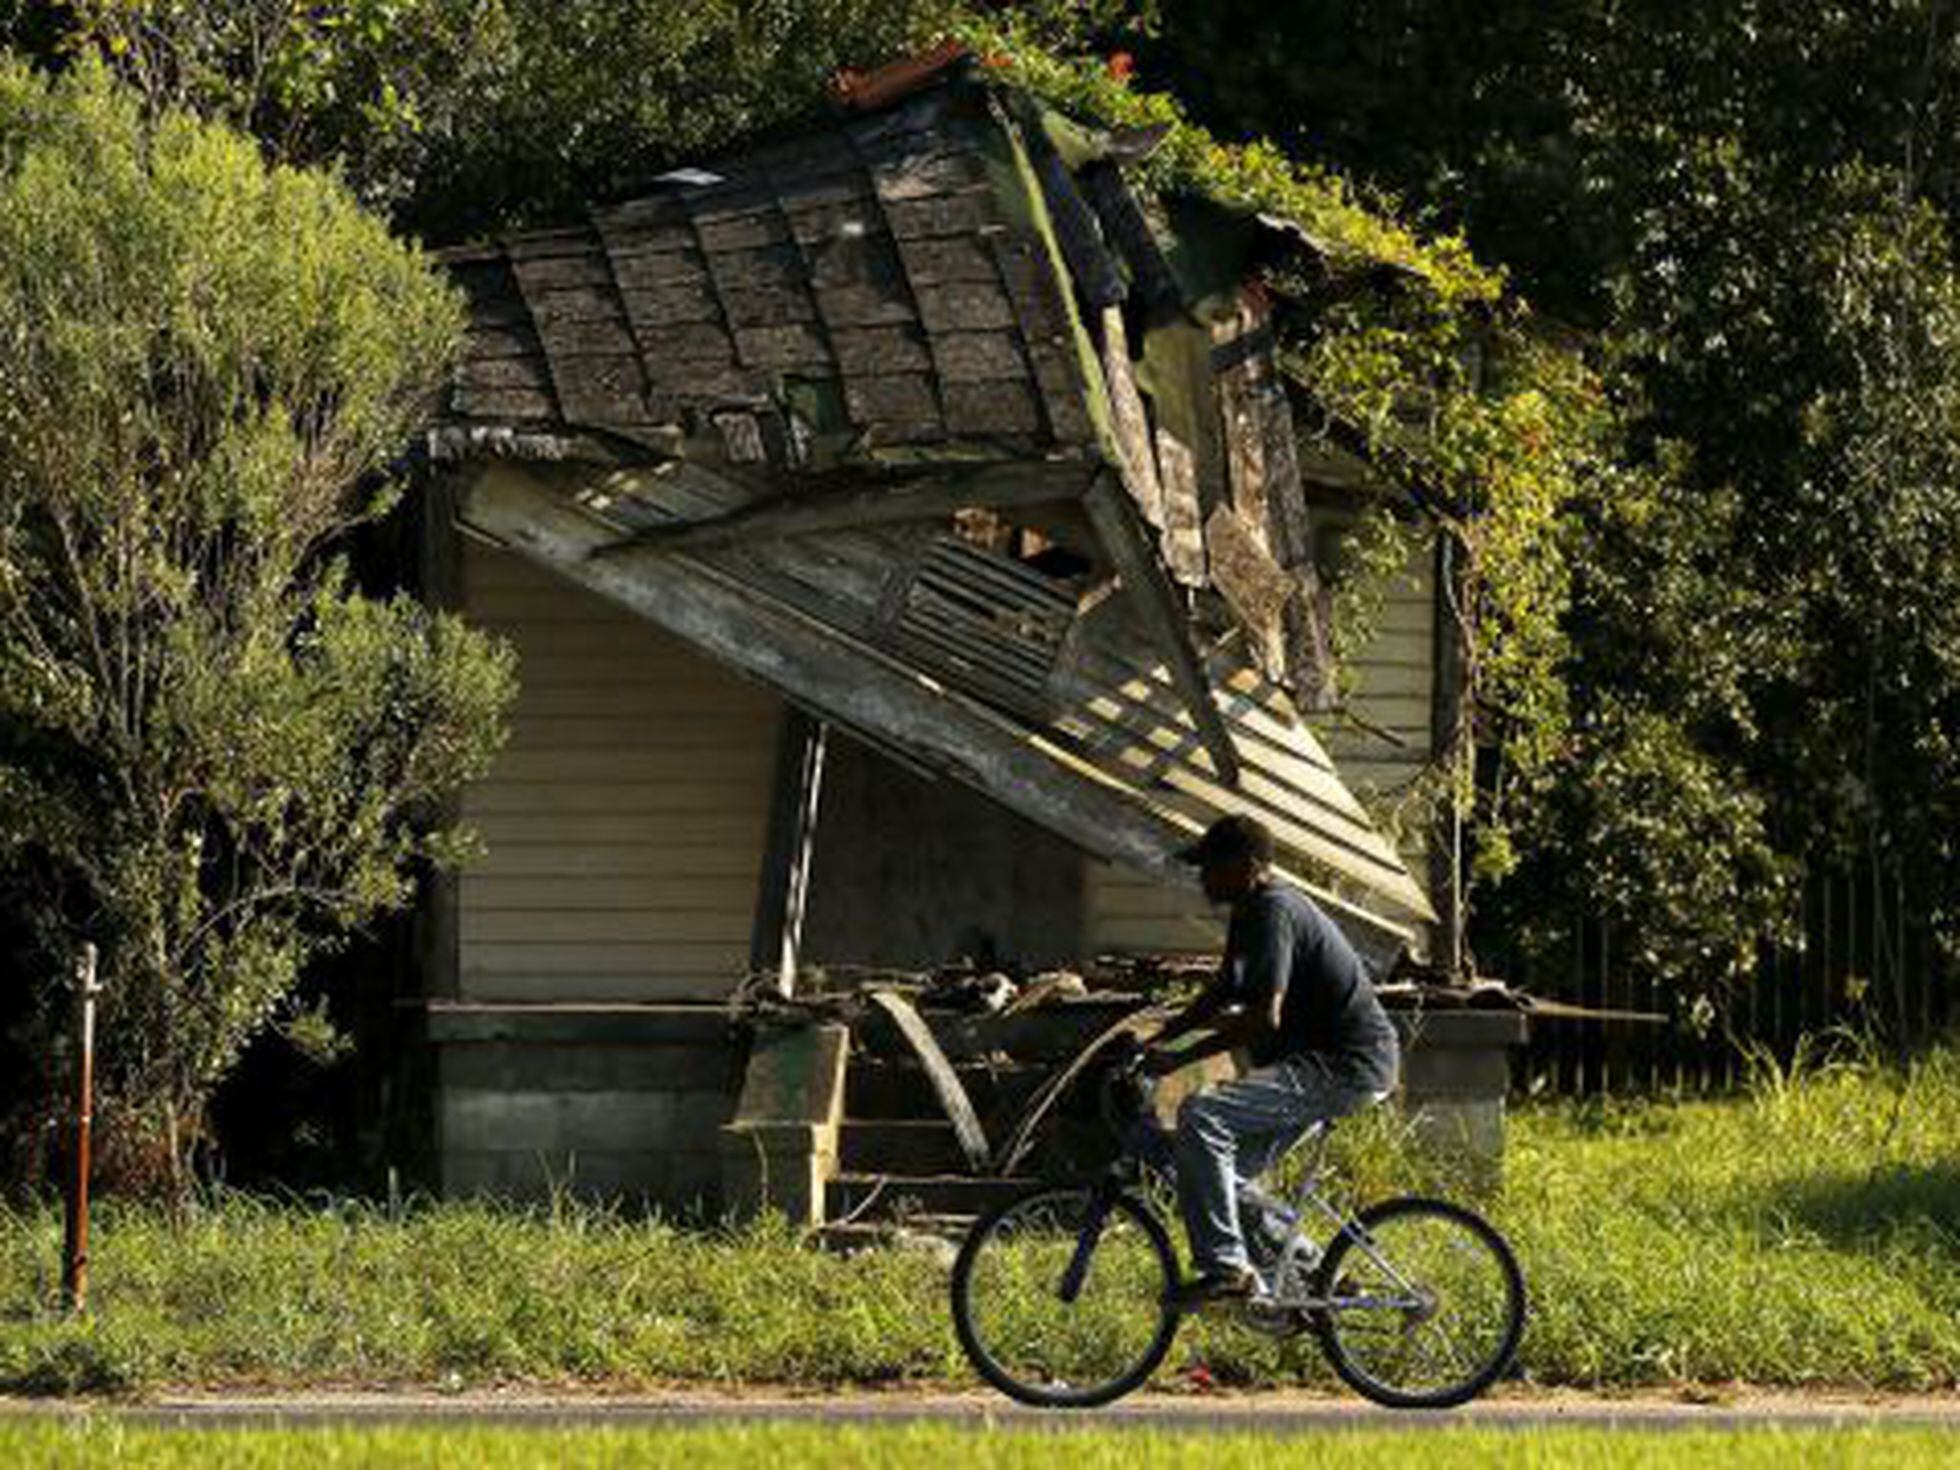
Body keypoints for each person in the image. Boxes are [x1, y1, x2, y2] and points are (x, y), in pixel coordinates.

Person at [1144, 813, 1400, 1305]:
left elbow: (1265, 1020)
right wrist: (1162, 1037)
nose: (1203, 878)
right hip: (1325, 1065)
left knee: (1201, 1114)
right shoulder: (1249, 913)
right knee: (1216, 1174)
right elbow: (1222, 991)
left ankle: (1224, 1269)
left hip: (1344, 1065)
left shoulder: (1274, 911)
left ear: (1250, 866)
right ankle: (1317, 1272)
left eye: (1212, 866)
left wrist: (1178, 1059)